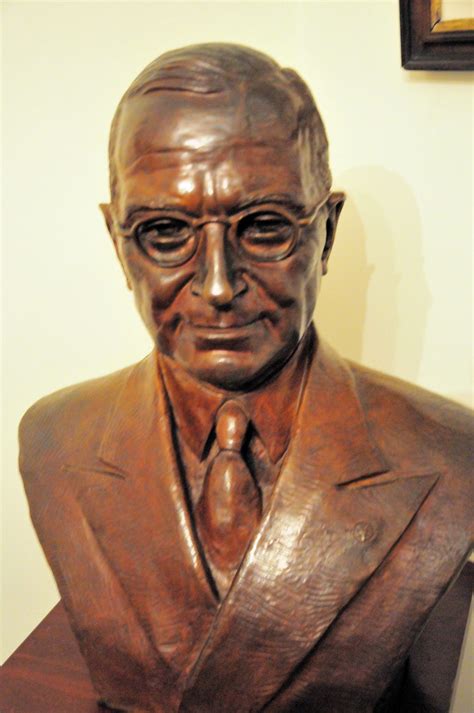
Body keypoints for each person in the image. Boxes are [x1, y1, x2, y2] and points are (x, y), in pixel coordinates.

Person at [19, 44, 472, 713]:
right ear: (118, 244)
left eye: (264, 227)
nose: (218, 284)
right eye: (166, 232)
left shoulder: (447, 453)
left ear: (326, 232)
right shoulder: (56, 439)